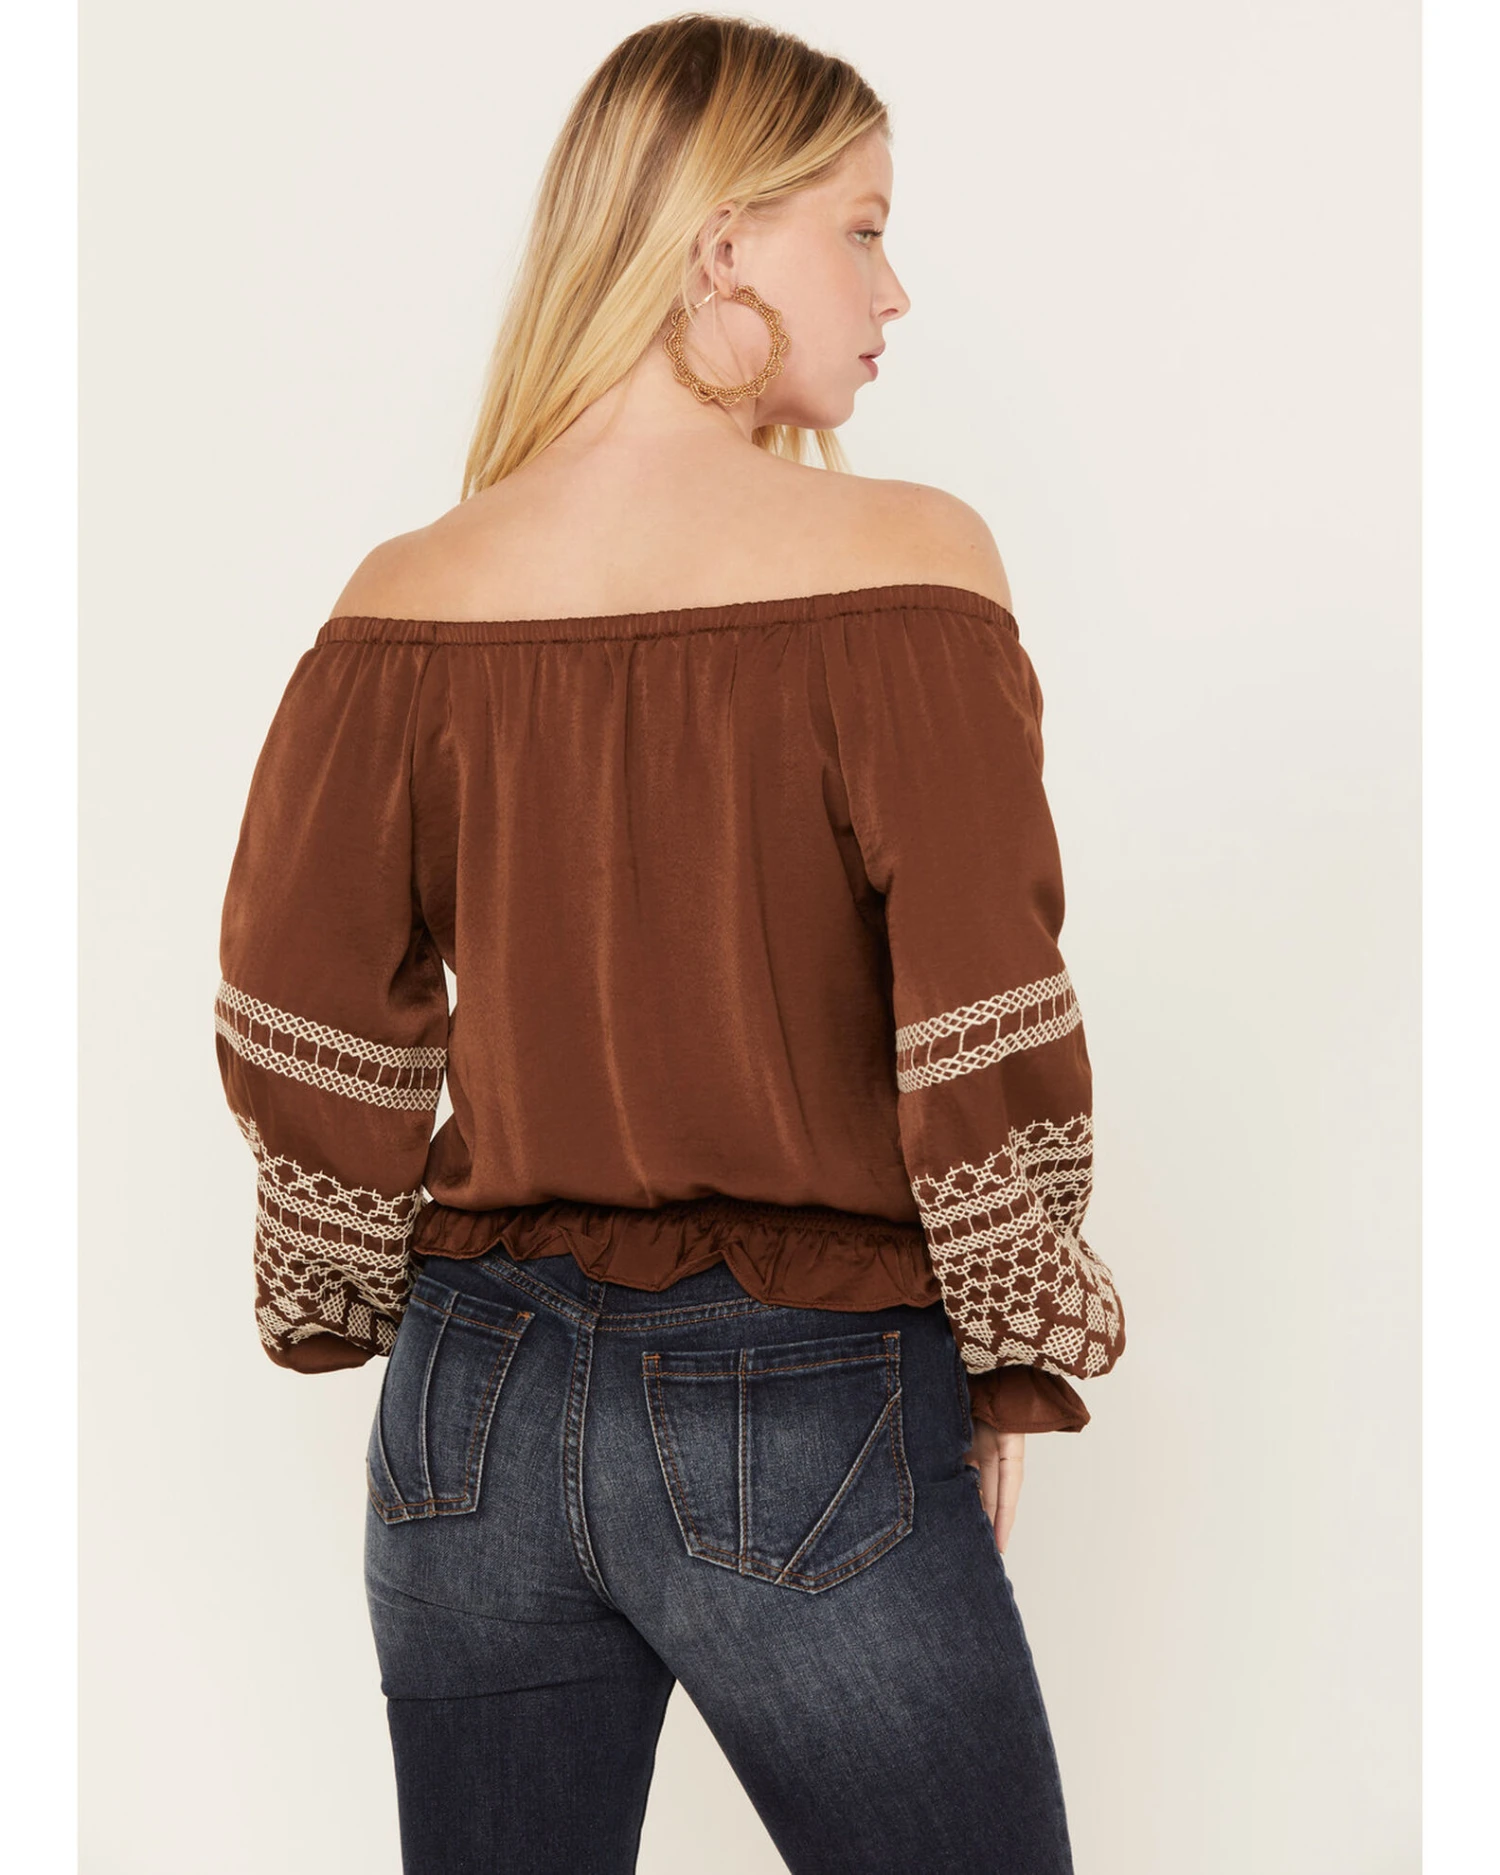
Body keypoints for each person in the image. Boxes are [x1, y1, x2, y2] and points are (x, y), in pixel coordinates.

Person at [212, 13, 1125, 1871]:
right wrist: (1005, 1341)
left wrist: (345, 1286)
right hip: (798, 1396)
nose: (894, 288)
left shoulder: (404, 599)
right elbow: (984, 1004)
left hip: (467, 1404)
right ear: (721, 248)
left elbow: (296, 996)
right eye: (860, 228)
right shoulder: (908, 568)